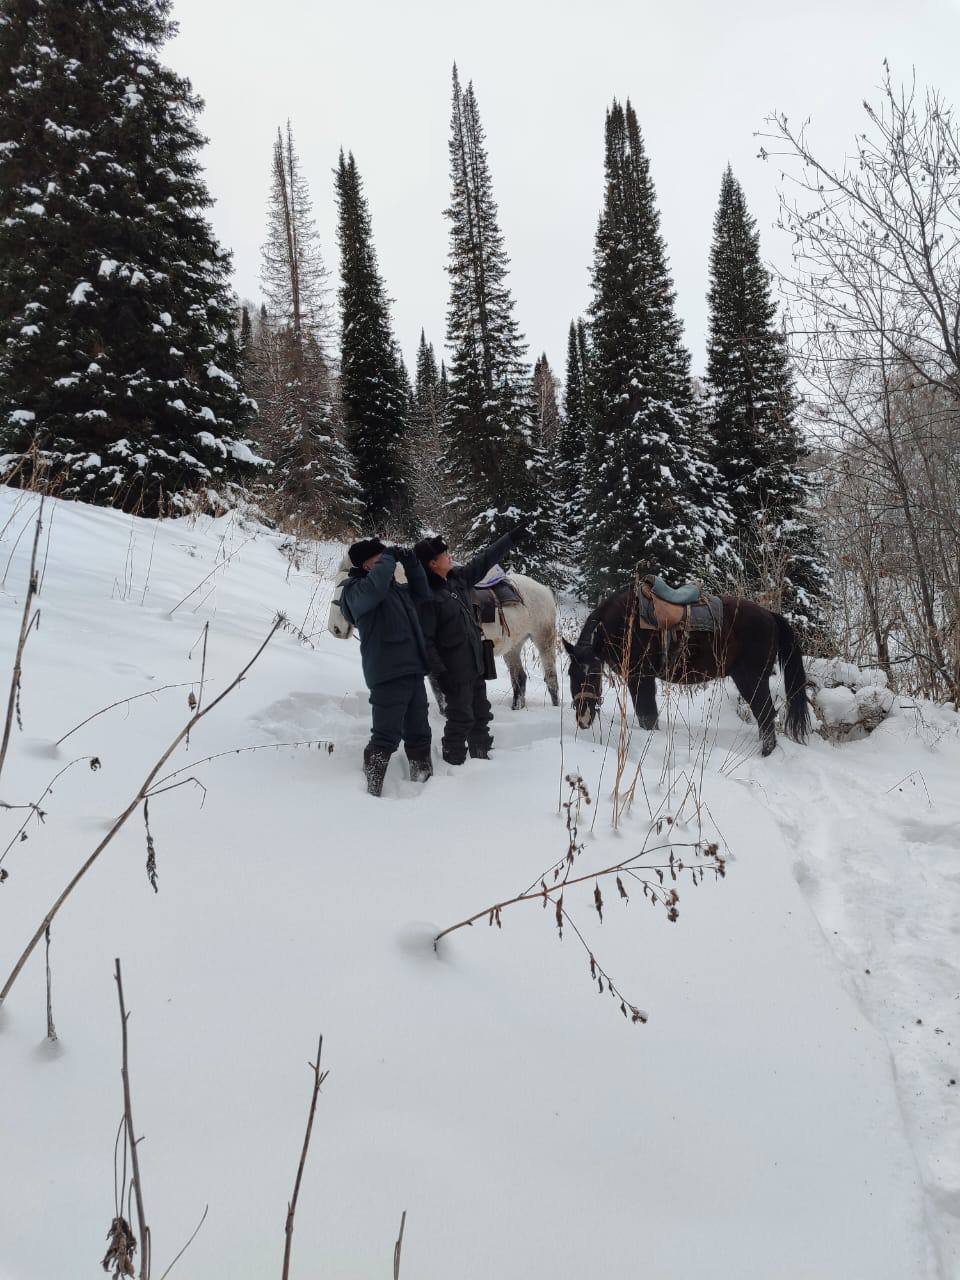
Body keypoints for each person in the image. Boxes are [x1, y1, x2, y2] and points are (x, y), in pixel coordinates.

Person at [414, 524, 527, 766]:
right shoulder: (428, 598)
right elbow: (426, 642)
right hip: (454, 673)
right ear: (433, 563)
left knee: (481, 716)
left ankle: (481, 760)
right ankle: (454, 765)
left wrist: (510, 538)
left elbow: (484, 560)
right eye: (444, 554)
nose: (450, 556)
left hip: (475, 666)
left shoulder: (458, 580)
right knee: (460, 719)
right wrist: (441, 674)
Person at [339, 537, 433, 796]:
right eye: (379, 560)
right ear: (367, 566)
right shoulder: (354, 591)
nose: (388, 564)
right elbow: (375, 590)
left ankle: (425, 786)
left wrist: (412, 563)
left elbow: (423, 593)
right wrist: (390, 557)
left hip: (413, 670)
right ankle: (371, 789)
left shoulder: (397, 591)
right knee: (386, 736)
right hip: (387, 673)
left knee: (419, 733)